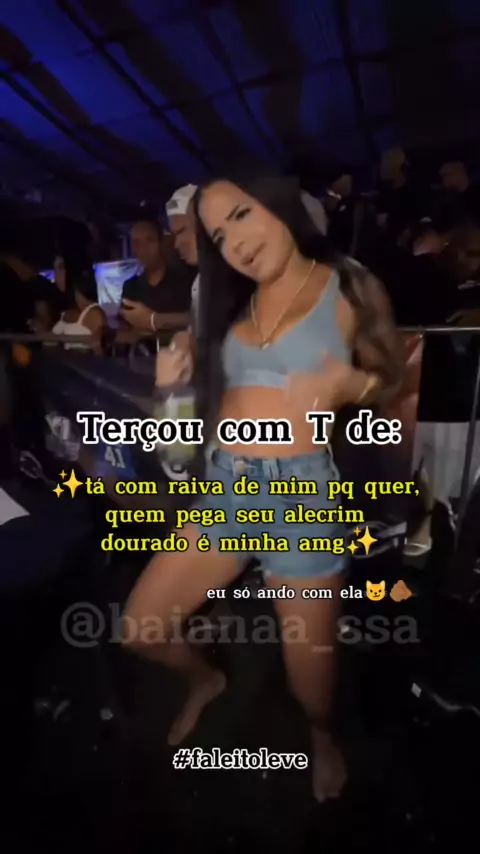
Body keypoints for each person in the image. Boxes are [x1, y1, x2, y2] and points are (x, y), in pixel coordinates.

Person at [122, 174, 404, 801]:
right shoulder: (230, 305)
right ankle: (207, 681)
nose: (236, 242)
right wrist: (171, 389)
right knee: (141, 630)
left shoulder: (347, 283)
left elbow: (390, 379)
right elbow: (187, 425)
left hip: (300, 499)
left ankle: (322, 739)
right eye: (219, 236)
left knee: (311, 679)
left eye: (242, 215)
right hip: (225, 489)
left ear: (276, 205)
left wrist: (348, 387)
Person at [119, 218, 193, 337]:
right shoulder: (130, 287)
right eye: (136, 243)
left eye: (149, 240)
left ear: (161, 242)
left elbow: (197, 319)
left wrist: (155, 320)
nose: (143, 248)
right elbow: (125, 329)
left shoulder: (185, 281)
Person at [51, 255, 106, 351]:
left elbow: (101, 355)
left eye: (60, 268)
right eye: (55, 270)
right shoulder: (64, 311)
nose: (55, 276)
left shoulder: (93, 314)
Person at [166, 185, 200, 330]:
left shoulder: (237, 278)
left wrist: (154, 320)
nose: (176, 244)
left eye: (181, 231)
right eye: (174, 235)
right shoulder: (199, 282)